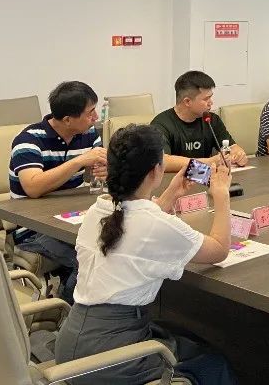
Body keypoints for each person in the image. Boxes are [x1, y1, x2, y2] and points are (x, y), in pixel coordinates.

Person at [54, 124, 237, 385]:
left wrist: (171, 193)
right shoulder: (155, 225)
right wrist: (221, 195)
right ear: (156, 171)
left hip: (70, 342)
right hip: (111, 358)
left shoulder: (99, 210)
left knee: (180, 335)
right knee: (212, 363)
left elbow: (136, 225)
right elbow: (219, 249)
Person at [9, 81, 106, 303]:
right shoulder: (28, 140)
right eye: (90, 113)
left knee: (113, 246)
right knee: (89, 259)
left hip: (73, 220)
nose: (95, 118)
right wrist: (79, 161)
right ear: (67, 119)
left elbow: (94, 176)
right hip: (34, 229)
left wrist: (103, 170)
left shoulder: (89, 134)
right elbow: (33, 187)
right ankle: (67, 310)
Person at [151, 70, 249, 172]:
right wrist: (208, 162)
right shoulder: (161, 124)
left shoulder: (211, 120)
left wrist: (238, 155)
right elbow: (163, 161)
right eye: (206, 99)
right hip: (175, 180)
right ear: (187, 101)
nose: (211, 103)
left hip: (206, 177)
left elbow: (232, 147)